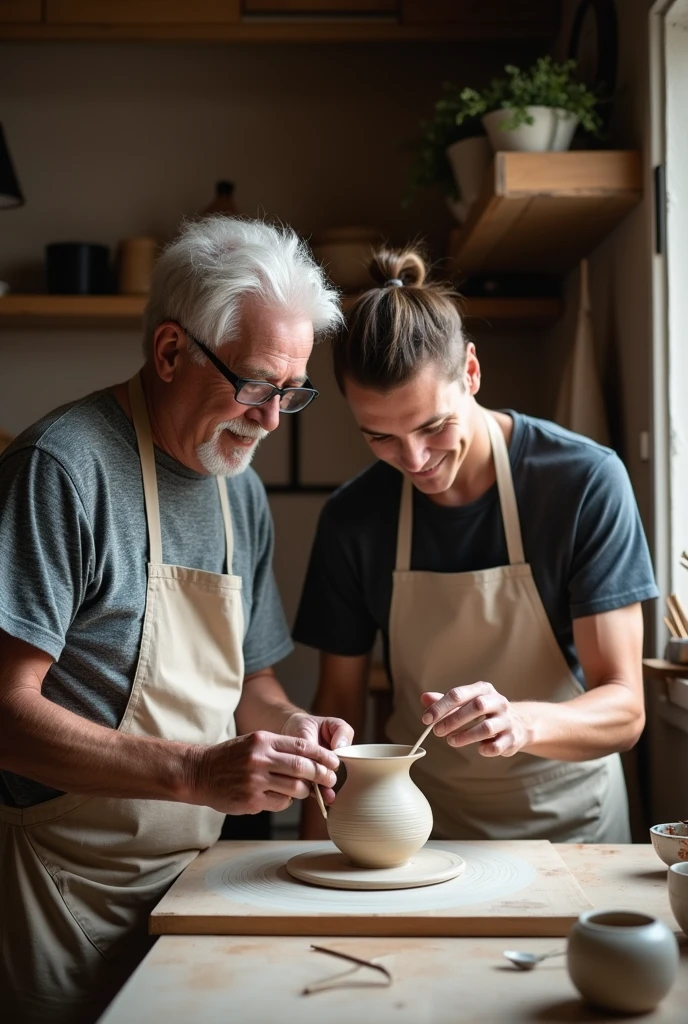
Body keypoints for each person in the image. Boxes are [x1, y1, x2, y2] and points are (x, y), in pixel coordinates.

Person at [0, 216, 353, 1024]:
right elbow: (5, 713)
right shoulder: (62, 469)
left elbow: (252, 682)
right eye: (258, 384)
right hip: (62, 890)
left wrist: (296, 729)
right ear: (169, 352)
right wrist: (195, 774)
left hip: (200, 883)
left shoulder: (242, 489)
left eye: (291, 392)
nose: (271, 419)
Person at [295, 245, 658, 846]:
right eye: (380, 437)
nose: (414, 460)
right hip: (418, 831)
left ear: (471, 372)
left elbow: (625, 708)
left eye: (433, 426)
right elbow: (338, 711)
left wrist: (519, 721)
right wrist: (311, 862)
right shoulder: (353, 519)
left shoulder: (582, 482)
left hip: (572, 830)